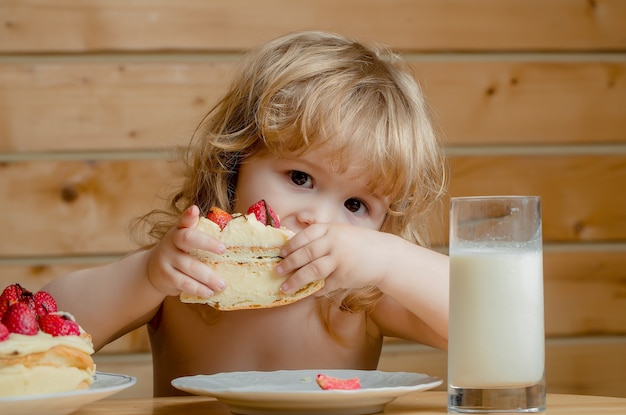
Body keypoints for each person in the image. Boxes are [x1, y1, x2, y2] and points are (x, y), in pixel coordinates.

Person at [43, 31, 449, 396]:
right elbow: (35, 326)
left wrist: (390, 260)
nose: (319, 219)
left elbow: (497, 327)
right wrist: (146, 276)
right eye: (300, 178)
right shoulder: (182, 276)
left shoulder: (359, 300)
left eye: (356, 205)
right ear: (236, 162)